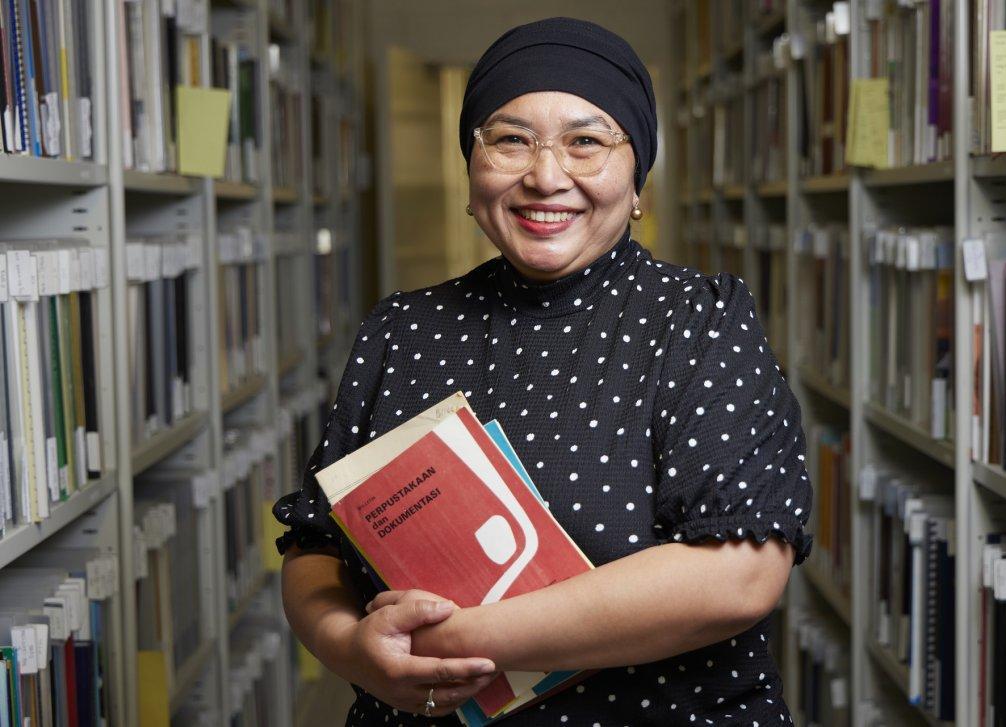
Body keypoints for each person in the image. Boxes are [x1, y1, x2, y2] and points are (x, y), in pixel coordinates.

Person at [275, 17, 812, 726]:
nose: (545, 176)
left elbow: (739, 578)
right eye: (509, 139)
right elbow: (315, 546)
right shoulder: (402, 329)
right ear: (472, 169)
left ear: (637, 174)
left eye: (586, 141)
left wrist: (455, 642)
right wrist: (351, 646)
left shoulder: (699, 322)